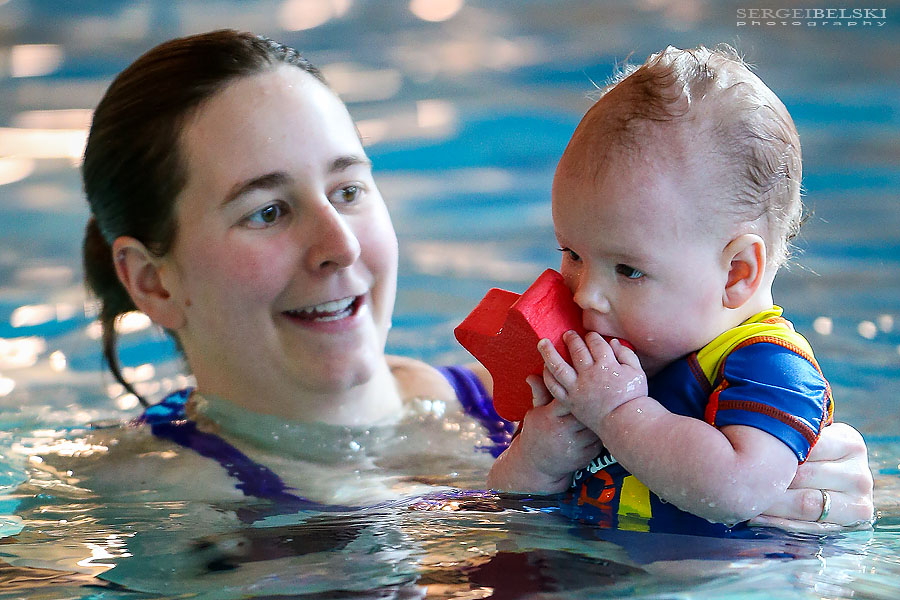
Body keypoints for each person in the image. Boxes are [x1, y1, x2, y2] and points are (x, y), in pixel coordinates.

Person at [81, 31, 871, 529]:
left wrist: (828, 497)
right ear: (150, 281)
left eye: (350, 190)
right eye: (266, 212)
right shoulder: (132, 502)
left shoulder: (522, 394)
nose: (338, 244)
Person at [486, 45, 870, 533]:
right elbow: (505, 503)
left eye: (628, 270)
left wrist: (620, 413)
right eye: (573, 255)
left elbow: (737, 490)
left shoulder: (770, 366)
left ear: (736, 273)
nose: (585, 295)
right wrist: (536, 459)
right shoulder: (610, 370)